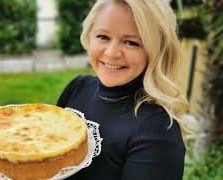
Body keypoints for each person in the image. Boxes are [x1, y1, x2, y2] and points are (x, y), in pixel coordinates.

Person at [56, 0, 190, 179]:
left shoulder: (157, 130)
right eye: (103, 37)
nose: (111, 53)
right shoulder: (77, 88)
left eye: (131, 42)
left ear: (156, 50)